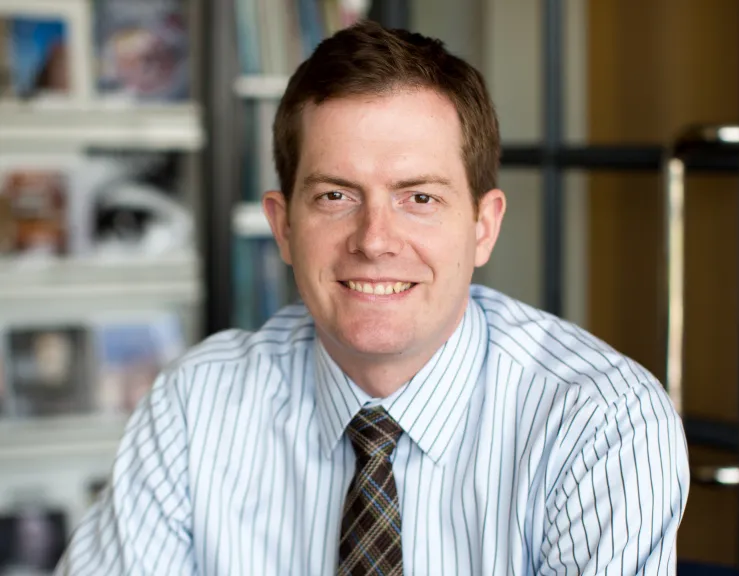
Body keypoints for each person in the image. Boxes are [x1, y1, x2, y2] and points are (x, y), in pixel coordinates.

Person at [55, 20, 689, 576]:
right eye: (336, 195)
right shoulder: (197, 404)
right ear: (282, 226)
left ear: (483, 227)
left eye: (420, 197)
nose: (375, 241)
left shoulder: (599, 421)